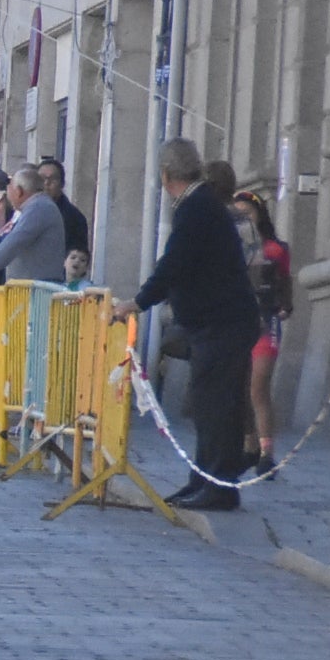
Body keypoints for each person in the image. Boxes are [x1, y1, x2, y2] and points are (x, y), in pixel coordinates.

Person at [125, 138, 259, 512]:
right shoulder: (200, 205)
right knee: (212, 405)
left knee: (215, 406)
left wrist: (137, 302)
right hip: (219, 323)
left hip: (222, 324)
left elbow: (173, 265)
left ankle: (218, 485)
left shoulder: (195, 208)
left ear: (166, 175)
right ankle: (205, 479)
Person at [237, 190, 294, 465]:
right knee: (240, 387)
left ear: (259, 215)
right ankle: (248, 443)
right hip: (237, 324)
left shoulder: (275, 248)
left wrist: (285, 305)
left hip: (266, 323)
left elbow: (285, 280)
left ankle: (266, 453)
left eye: (248, 212)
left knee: (258, 387)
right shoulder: (231, 247)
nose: (243, 218)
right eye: (238, 214)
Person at [0, 165, 65, 284]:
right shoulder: (38, 206)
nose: (7, 193)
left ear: (19, 191)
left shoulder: (38, 207)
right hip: (34, 289)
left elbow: (14, 242)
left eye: (9, 187)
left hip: (38, 291)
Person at [37, 156, 91, 265]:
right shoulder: (27, 210)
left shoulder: (74, 218)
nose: (47, 183)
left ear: (62, 184)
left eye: (53, 179)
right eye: (42, 179)